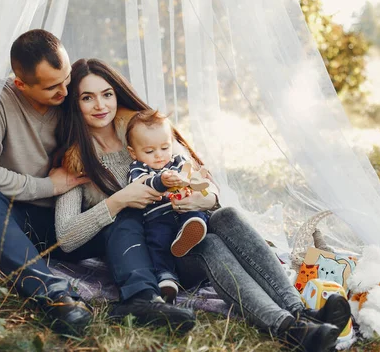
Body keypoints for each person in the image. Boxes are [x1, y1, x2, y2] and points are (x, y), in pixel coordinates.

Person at [55, 58, 351, 351]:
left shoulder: (146, 129)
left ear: (116, 94)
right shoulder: (77, 160)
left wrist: (205, 198)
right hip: (158, 258)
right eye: (87, 97)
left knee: (228, 214)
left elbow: (202, 181)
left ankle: (300, 312)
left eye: (106, 94)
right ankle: (287, 327)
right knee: (209, 245)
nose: (100, 105)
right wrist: (117, 201)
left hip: (190, 227)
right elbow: (66, 237)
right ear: (75, 104)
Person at [0, 29, 94, 336]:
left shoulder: (75, 91)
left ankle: (150, 292)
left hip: (70, 221)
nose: (64, 91)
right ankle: (58, 297)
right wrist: (51, 186)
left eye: (67, 78)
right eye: (51, 88)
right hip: (13, 221)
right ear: (21, 84)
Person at [124, 109, 210, 303]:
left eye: (164, 147)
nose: (159, 156)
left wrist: (192, 179)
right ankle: (165, 278)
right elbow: (140, 184)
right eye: (149, 151)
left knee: (195, 212)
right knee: (157, 243)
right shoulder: (139, 167)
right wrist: (162, 181)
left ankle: (191, 228)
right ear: (133, 152)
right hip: (157, 216)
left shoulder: (178, 162)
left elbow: (192, 178)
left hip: (184, 208)